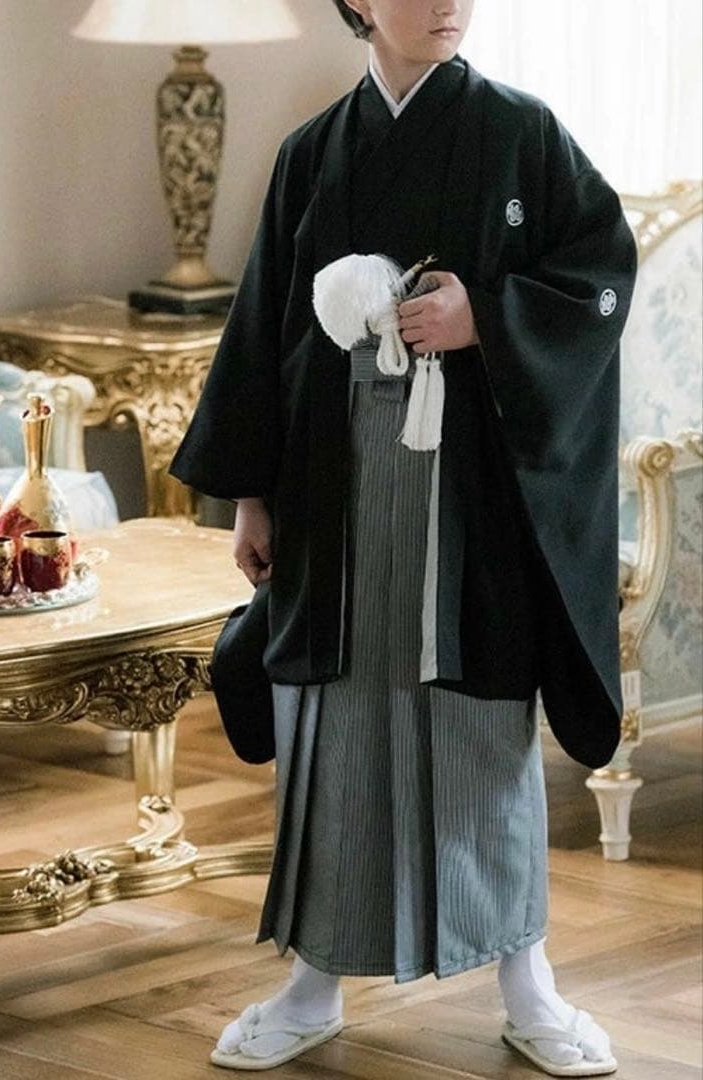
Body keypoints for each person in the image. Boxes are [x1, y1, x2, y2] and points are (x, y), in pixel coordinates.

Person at [170, 1, 638, 1073]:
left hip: (471, 487)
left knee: (480, 723)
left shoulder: (521, 132)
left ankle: (526, 980)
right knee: (329, 723)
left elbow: (599, 274)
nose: (449, 3)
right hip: (332, 482)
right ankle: (314, 980)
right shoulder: (312, 152)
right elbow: (265, 324)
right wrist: (251, 496)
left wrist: (486, 318)